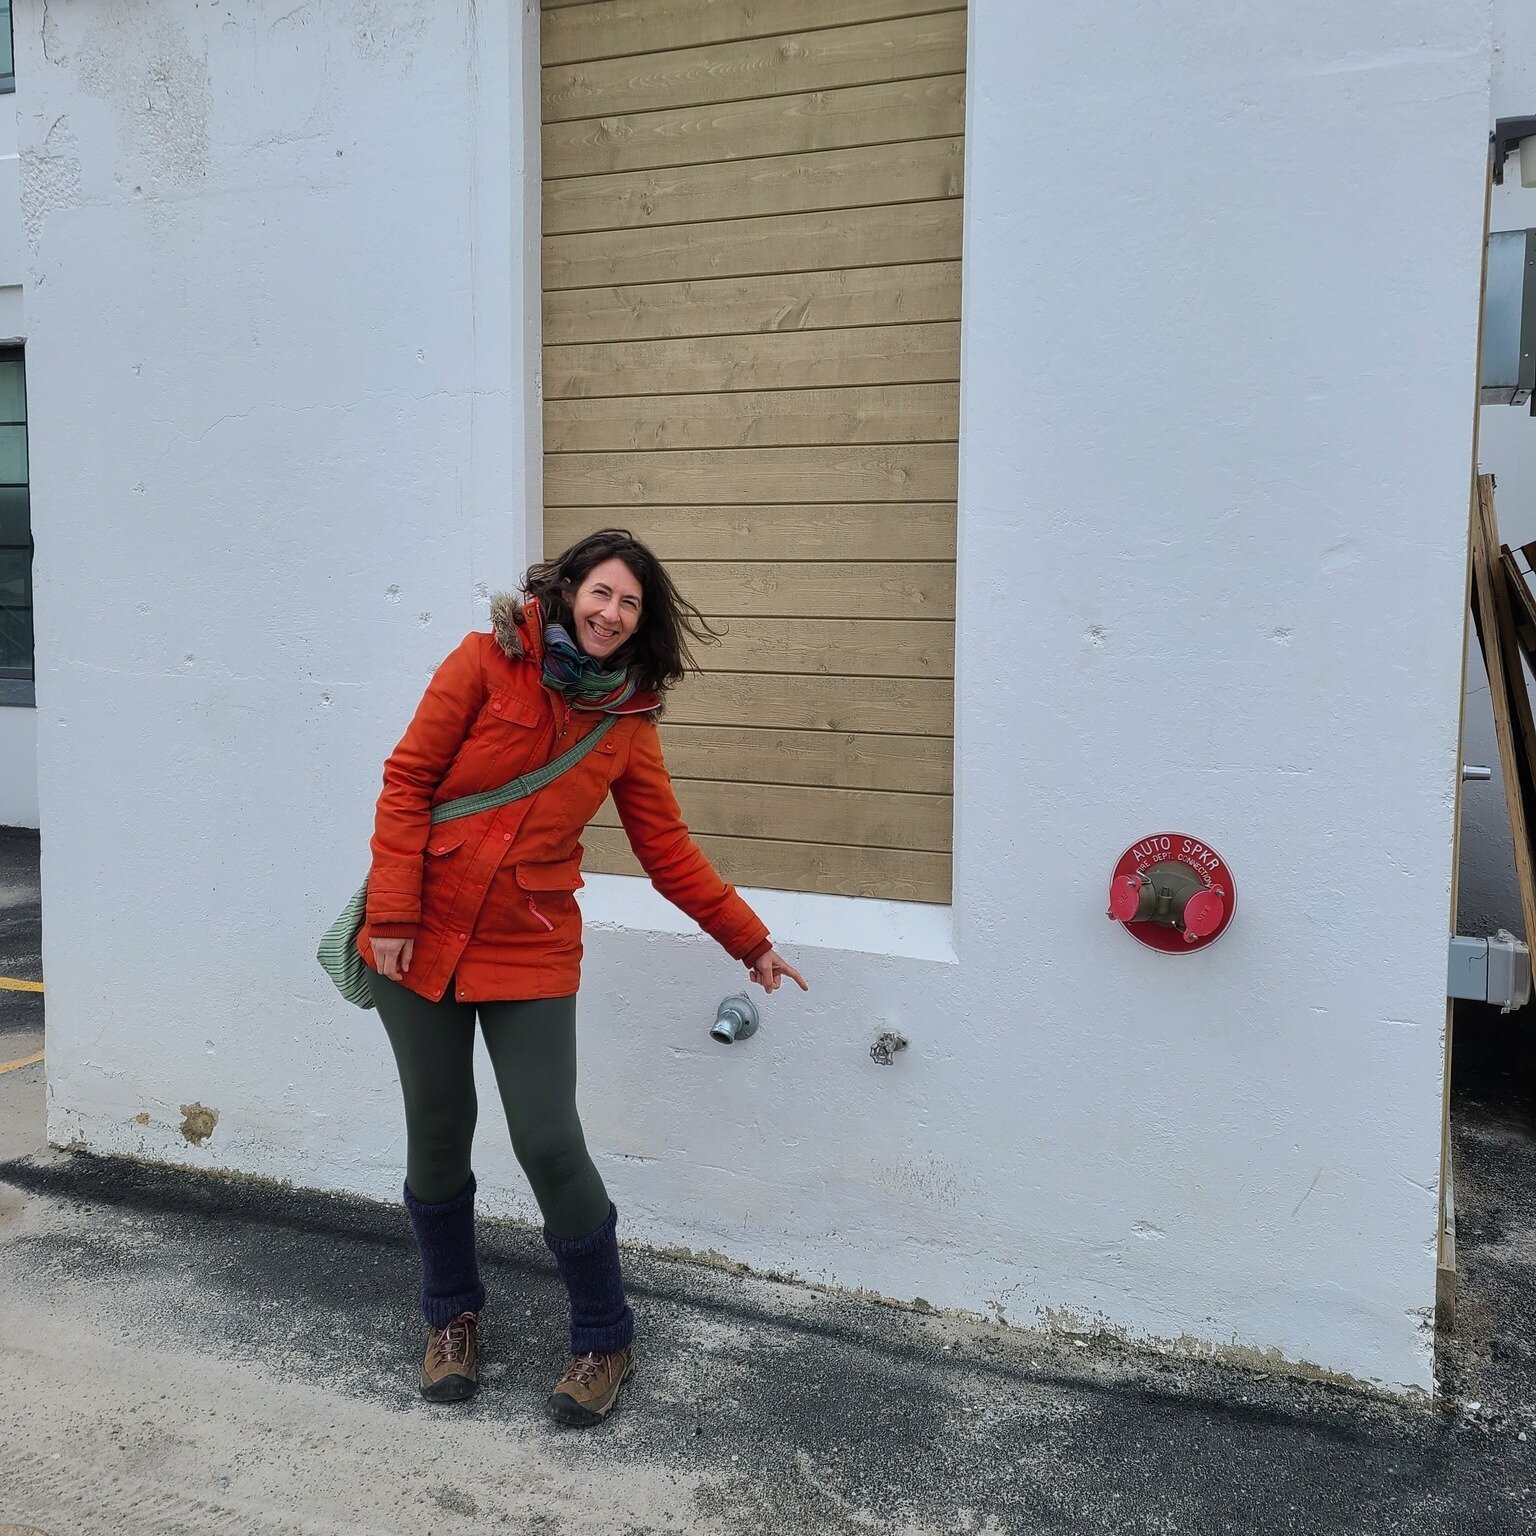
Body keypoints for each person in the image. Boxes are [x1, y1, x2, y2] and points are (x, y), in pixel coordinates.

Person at [358, 528, 808, 1427]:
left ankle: (605, 1337)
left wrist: (747, 940)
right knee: (438, 1129)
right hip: (420, 935)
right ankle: (451, 1320)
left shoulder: (626, 725)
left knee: (548, 1140)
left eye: (630, 604)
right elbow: (408, 782)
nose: (610, 613)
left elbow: (666, 848)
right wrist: (395, 914)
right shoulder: (483, 663)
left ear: (642, 625)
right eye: (601, 593)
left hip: (528, 943)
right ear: (566, 592)